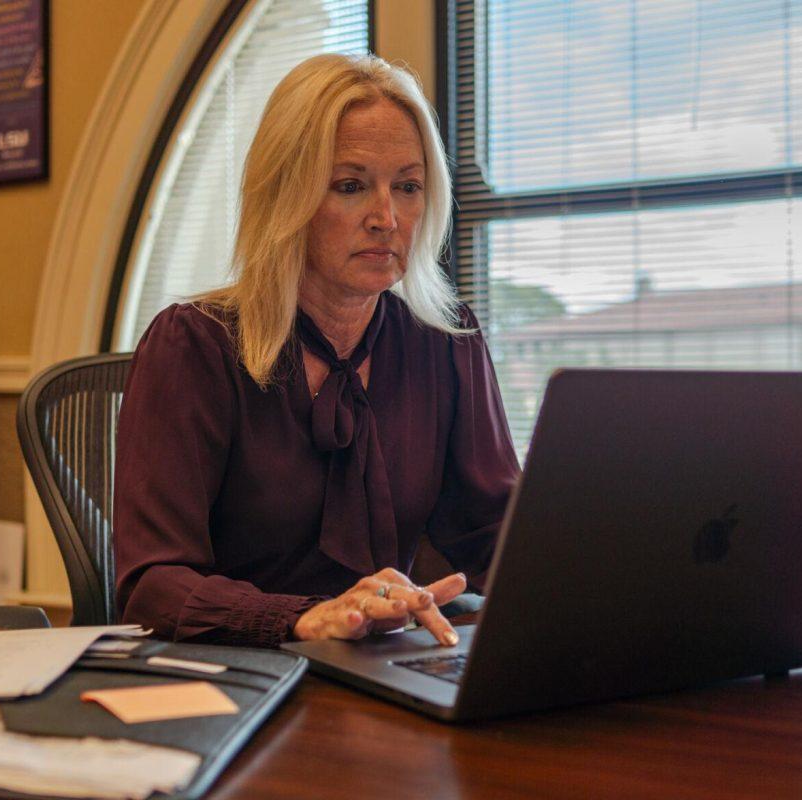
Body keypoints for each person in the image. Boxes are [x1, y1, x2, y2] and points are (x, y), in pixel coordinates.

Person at [114, 53, 519, 649]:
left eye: (407, 187)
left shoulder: (445, 339)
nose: (387, 218)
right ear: (287, 197)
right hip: (235, 674)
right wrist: (304, 618)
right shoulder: (192, 346)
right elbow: (153, 585)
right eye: (350, 186)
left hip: (381, 665)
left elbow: (490, 530)